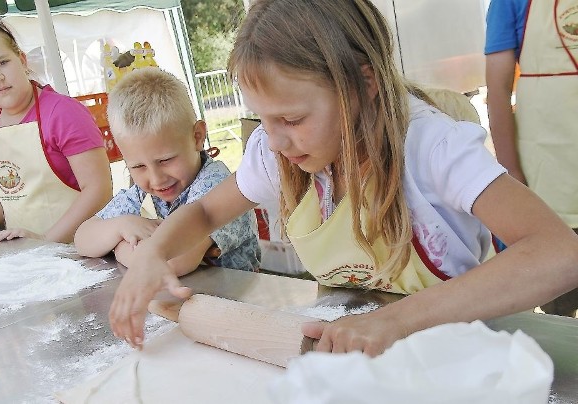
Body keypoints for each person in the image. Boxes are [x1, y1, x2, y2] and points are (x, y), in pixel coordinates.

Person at [109, 0, 578, 354]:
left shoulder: (433, 147)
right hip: (358, 351)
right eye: (263, 120)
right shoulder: (282, 154)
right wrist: (155, 251)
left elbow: (559, 252)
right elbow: (207, 209)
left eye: (291, 120)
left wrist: (397, 321)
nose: (273, 141)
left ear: (363, 85)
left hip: (453, 349)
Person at [0, 14, 112, 244]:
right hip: (32, 256)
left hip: (85, 249)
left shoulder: (63, 113)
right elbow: (12, 193)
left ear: (22, 59)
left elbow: (99, 191)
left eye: (2, 62)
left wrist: (46, 241)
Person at [74, 67, 260, 274]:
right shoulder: (141, 193)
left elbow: (173, 263)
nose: (156, 179)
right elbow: (82, 238)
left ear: (197, 137)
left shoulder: (215, 185)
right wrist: (121, 226)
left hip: (233, 300)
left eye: (165, 160)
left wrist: (118, 246)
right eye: (138, 166)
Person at [485, 0, 578, 317]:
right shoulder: (510, 3)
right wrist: (511, 173)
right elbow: (497, 90)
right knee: (560, 310)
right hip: (548, 179)